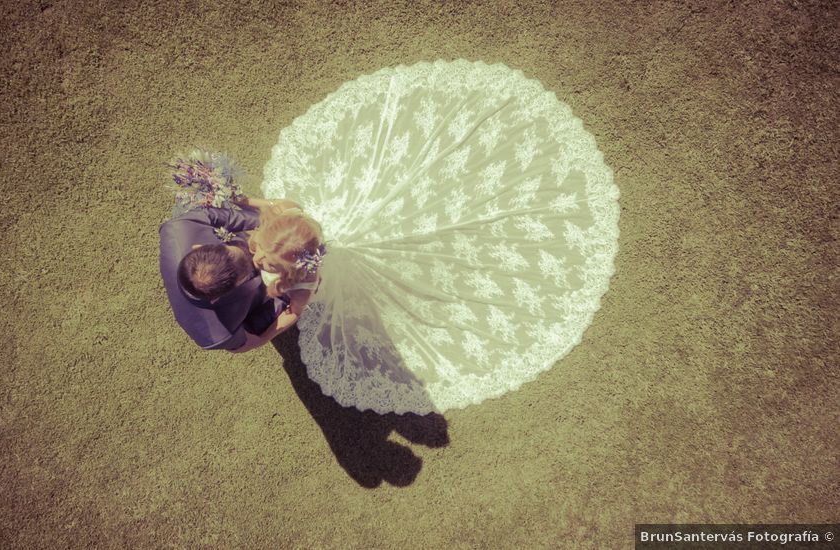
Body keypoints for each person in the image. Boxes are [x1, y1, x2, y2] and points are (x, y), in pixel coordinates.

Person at [256, 59, 622, 415]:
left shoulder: (306, 281)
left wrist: (264, 332)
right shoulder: (289, 216)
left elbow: (292, 312)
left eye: (267, 260)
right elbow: (268, 209)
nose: (259, 260)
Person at [159, 149, 303, 352]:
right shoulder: (218, 333)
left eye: (231, 249)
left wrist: (271, 223)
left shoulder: (178, 228)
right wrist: (265, 337)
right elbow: (246, 344)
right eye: (253, 265)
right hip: (249, 312)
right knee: (289, 293)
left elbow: (219, 216)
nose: (256, 256)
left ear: (199, 247)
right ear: (237, 285)